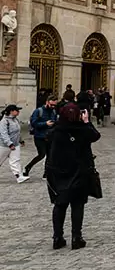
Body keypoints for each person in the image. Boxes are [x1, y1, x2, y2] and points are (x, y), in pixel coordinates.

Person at [46, 103, 101, 248]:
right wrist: (87, 122)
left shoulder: (55, 130)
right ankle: (76, 237)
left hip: (59, 171)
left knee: (60, 204)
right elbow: (96, 136)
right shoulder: (83, 130)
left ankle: (57, 237)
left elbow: (48, 146)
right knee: (77, 204)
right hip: (79, 171)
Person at [24, 94, 58, 176]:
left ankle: (46, 173)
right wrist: (45, 124)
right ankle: (28, 167)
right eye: (51, 104)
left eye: (54, 105)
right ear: (47, 102)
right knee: (41, 154)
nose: (53, 106)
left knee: (50, 155)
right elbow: (34, 123)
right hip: (39, 136)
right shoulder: (38, 111)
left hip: (50, 136)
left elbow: (55, 122)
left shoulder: (53, 111)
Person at [1, 105, 30, 182]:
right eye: (17, 110)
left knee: (16, 160)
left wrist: (21, 140)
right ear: (11, 111)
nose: (18, 112)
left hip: (15, 144)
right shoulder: (4, 121)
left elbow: (17, 132)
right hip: (4, 145)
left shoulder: (15, 120)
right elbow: (4, 134)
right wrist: (10, 144)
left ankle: (19, 176)